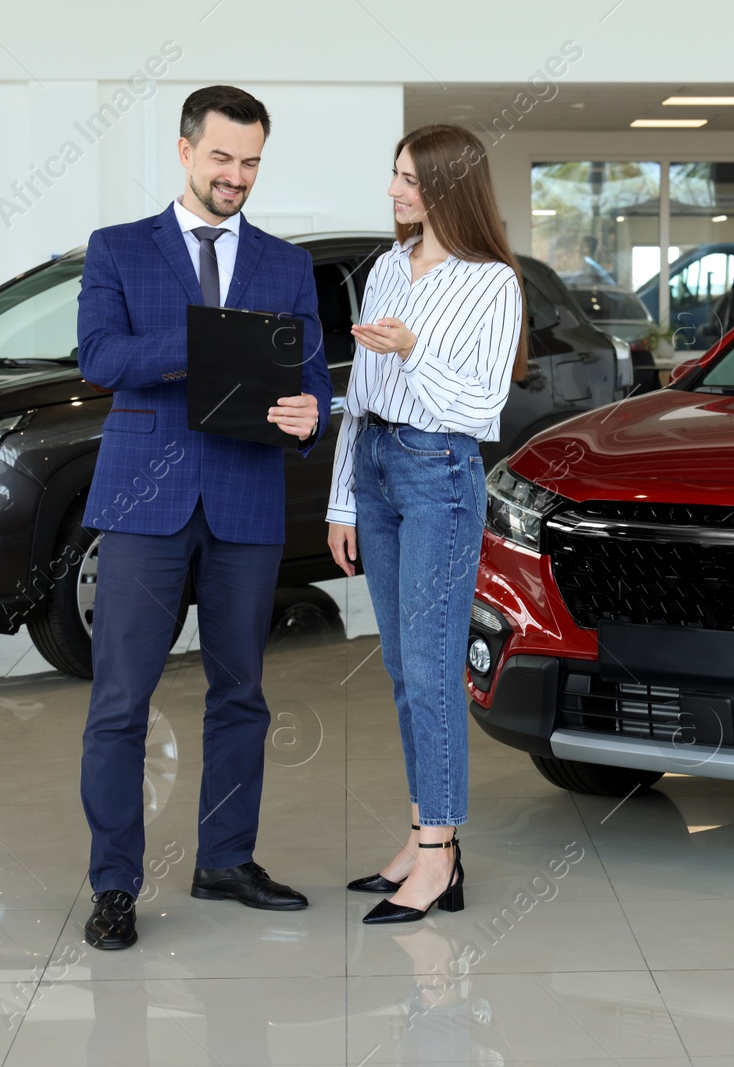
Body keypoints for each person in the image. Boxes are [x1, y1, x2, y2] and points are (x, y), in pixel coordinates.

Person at [76, 85, 332, 950]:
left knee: (242, 693)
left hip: (247, 497)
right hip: (145, 499)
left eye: (252, 161)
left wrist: (311, 415)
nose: (237, 176)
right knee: (121, 700)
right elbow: (102, 357)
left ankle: (225, 858)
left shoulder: (286, 264)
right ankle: (114, 883)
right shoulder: (119, 249)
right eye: (222, 158)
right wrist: (208, 337)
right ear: (185, 152)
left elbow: (313, 379)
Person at [326, 124, 527, 924]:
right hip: (376, 463)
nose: (394, 190)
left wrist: (413, 350)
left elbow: (481, 410)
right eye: (395, 175)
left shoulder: (493, 284)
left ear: (447, 186)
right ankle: (421, 833)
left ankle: (441, 855)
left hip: (439, 470)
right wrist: (343, 497)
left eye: (408, 178)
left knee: (436, 669)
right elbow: (362, 392)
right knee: (405, 668)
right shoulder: (385, 268)